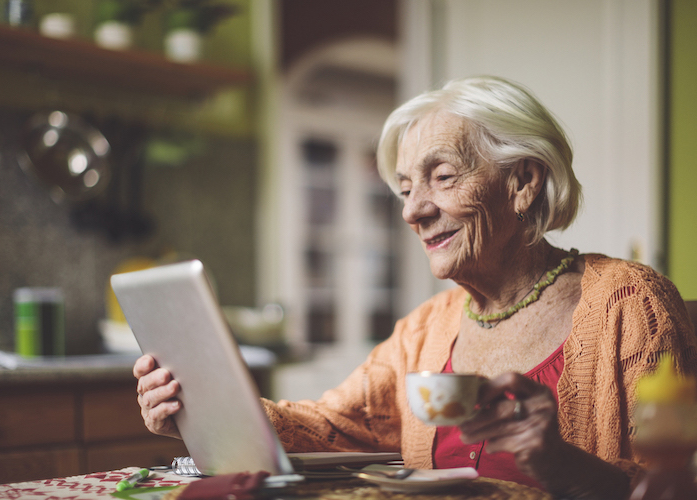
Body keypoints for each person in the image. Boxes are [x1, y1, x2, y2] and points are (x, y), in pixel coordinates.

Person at [134, 76, 697, 499]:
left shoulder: (628, 303)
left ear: (523, 182)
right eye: (405, 188)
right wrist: (197, 404)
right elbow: (330, 427)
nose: (414, 211)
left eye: (442, 177)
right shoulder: (427, 329)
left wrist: (557, 459)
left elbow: (674, 487)